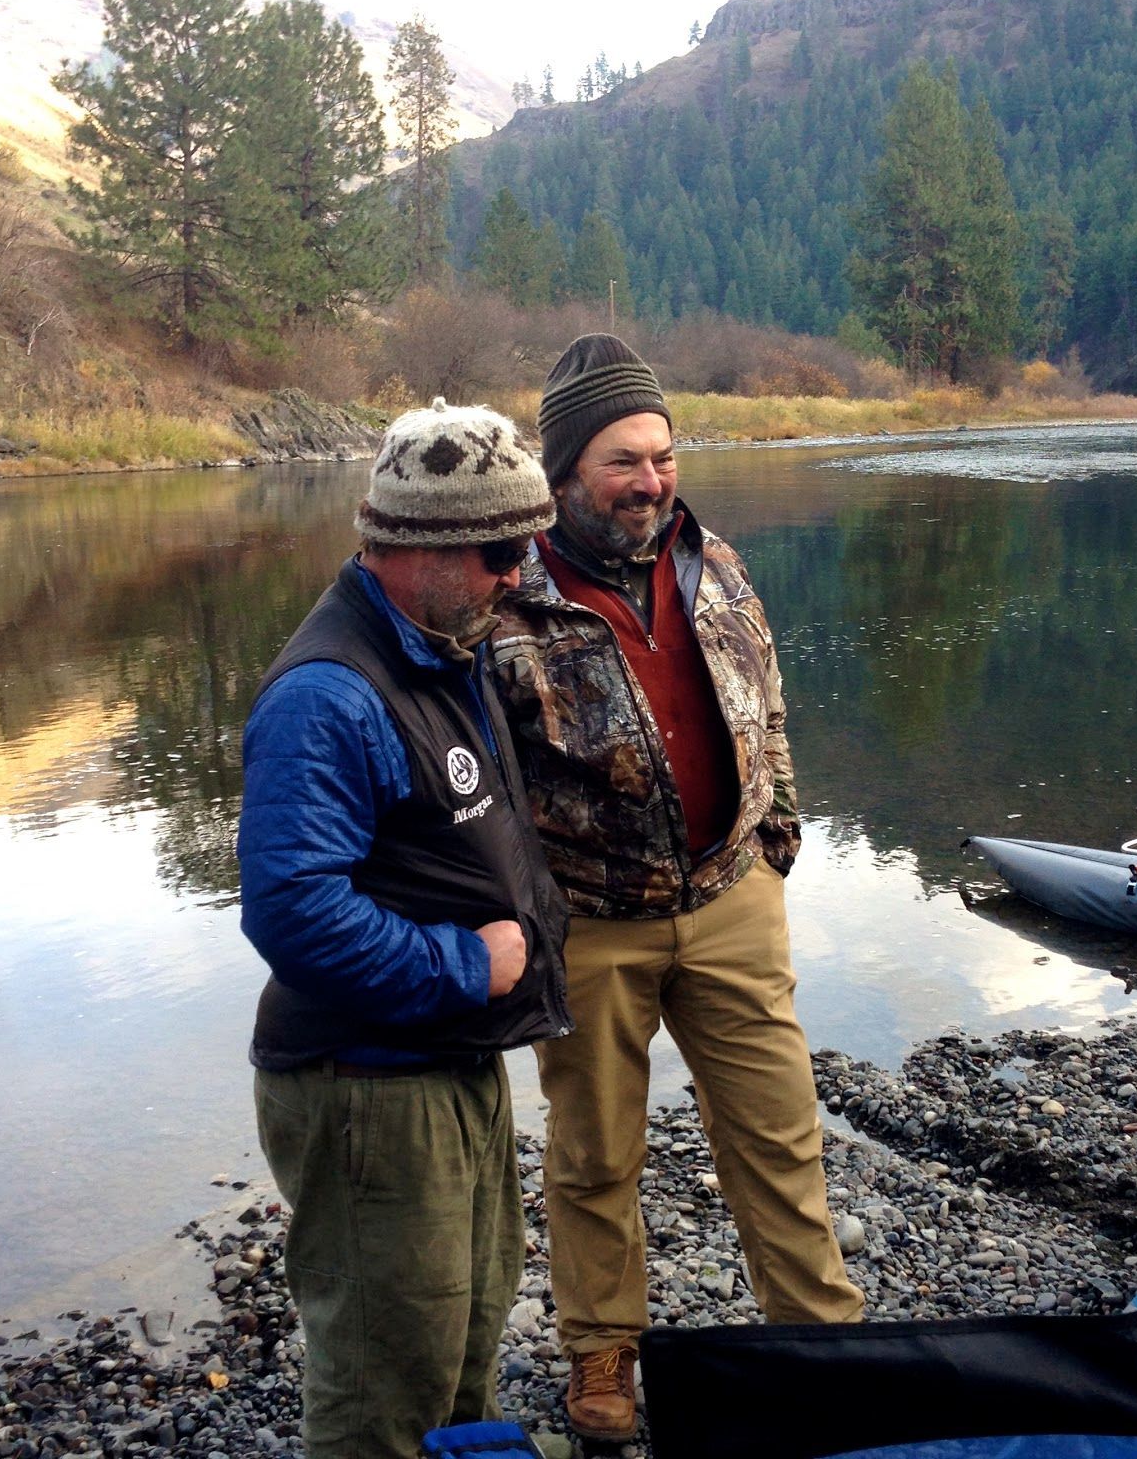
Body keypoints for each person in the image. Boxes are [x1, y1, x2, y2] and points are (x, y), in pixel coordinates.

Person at [490, 334, 864, 1441]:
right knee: (595, 1151)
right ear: (563, 474)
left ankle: (822, 1340)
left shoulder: (718, 562)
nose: (650, 480)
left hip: (731, 899)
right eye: (621, 461)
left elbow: (769, 700)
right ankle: (600, 1355)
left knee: (779, 1131)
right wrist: (527, 910)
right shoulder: (505, 601)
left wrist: (778, 828)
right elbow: (475, 781)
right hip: (592, 925)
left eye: (659, 454)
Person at [237, 397, 570, 1459]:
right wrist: (463, 963)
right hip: (366, 1084)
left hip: (445, 1058)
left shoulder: (441, 638)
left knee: (466, 1324)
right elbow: (292, 909)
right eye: (499, 548)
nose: (518, 570)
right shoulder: (327, 696)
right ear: (414, 547)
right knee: (385, 1370)